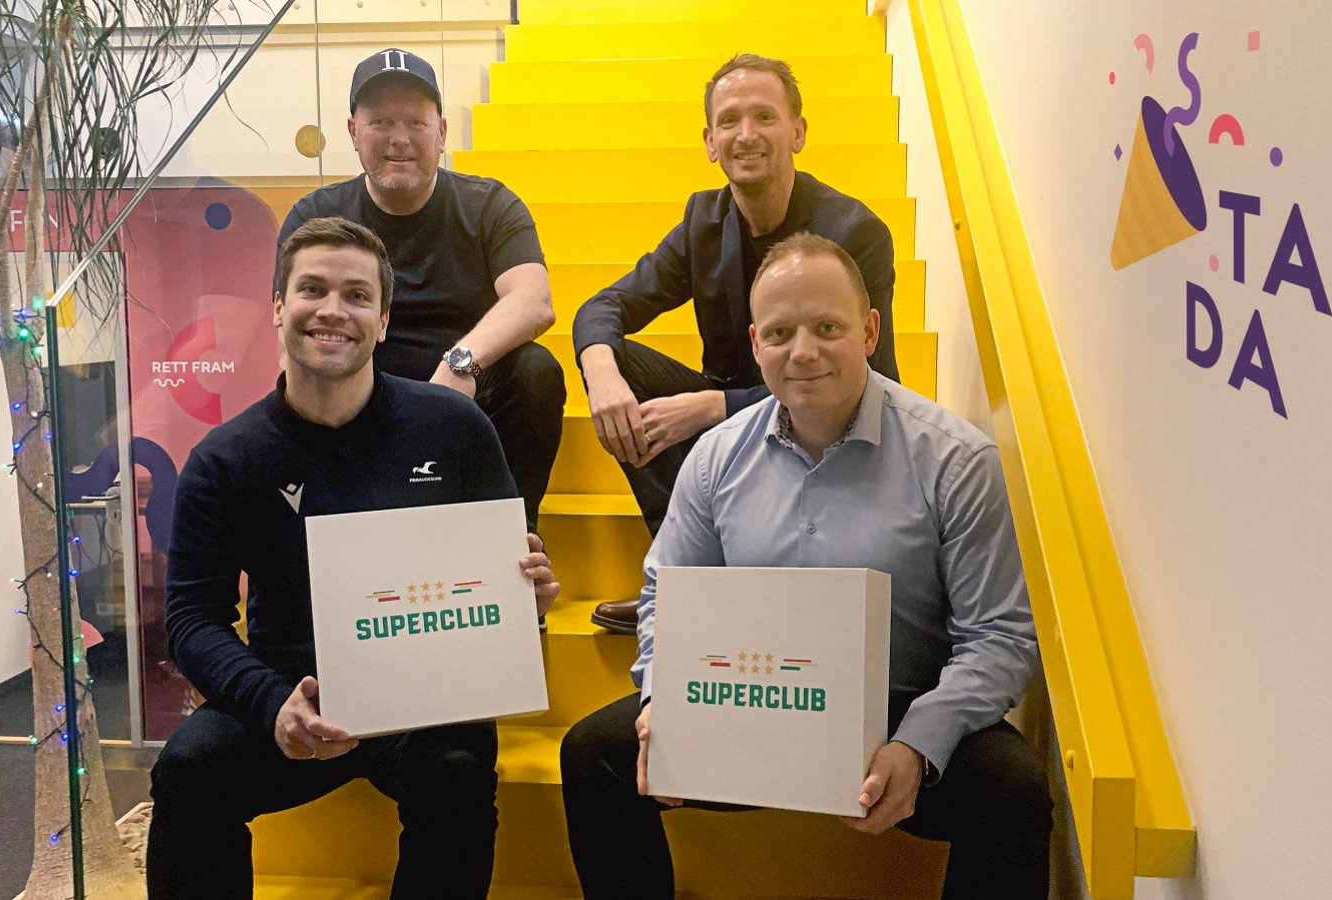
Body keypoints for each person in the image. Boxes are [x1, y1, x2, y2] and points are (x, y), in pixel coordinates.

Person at [559, 233, 1051, 900]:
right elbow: (664, 599)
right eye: (780, 333)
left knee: (1013, 789)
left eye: (827, 328)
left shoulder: (955, 460)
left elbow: (999, 636)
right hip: (750, 698)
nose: (803, 352)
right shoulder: (714, 457)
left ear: (870, 331)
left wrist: (918, 745)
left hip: (899, 710)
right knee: (594, 754)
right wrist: (660, 698)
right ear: (756, 343)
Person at [149, 217, 561, 898]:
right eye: (312, 289)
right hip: (291, 690)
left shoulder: (455, 426)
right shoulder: (225, 459)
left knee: (456, 773)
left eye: (357, 295)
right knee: (189, 769)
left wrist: (525, 600)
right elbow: (193, 618)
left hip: (426, 694)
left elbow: (503, 576)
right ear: (278, 305)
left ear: (383, 319)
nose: (333, 310)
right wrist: (272, 702)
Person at [573, 54, 900, 632]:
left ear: (797, 131)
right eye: (729, 121)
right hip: (731, 431)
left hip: (828, 428)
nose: (746, 135)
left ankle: (736, 585)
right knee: (616, 361)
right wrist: (601, 374)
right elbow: (604, 307)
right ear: (710, 141)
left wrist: (715, 406)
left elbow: (877, 380)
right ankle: (684, 577)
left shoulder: (855, 233)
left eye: (764, 117)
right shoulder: (704, 220)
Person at [279, 48, 563, 533]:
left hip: (468, 387)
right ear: (353, 132)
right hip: (362, 386)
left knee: (536, 371)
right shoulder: (317, 217)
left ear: (442, 133)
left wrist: (459, 366)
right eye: (380, 122)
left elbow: (533, 300)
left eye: (415, 122)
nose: (399, 139)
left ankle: (512, 542)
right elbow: (293, 330)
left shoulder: (489, 204)